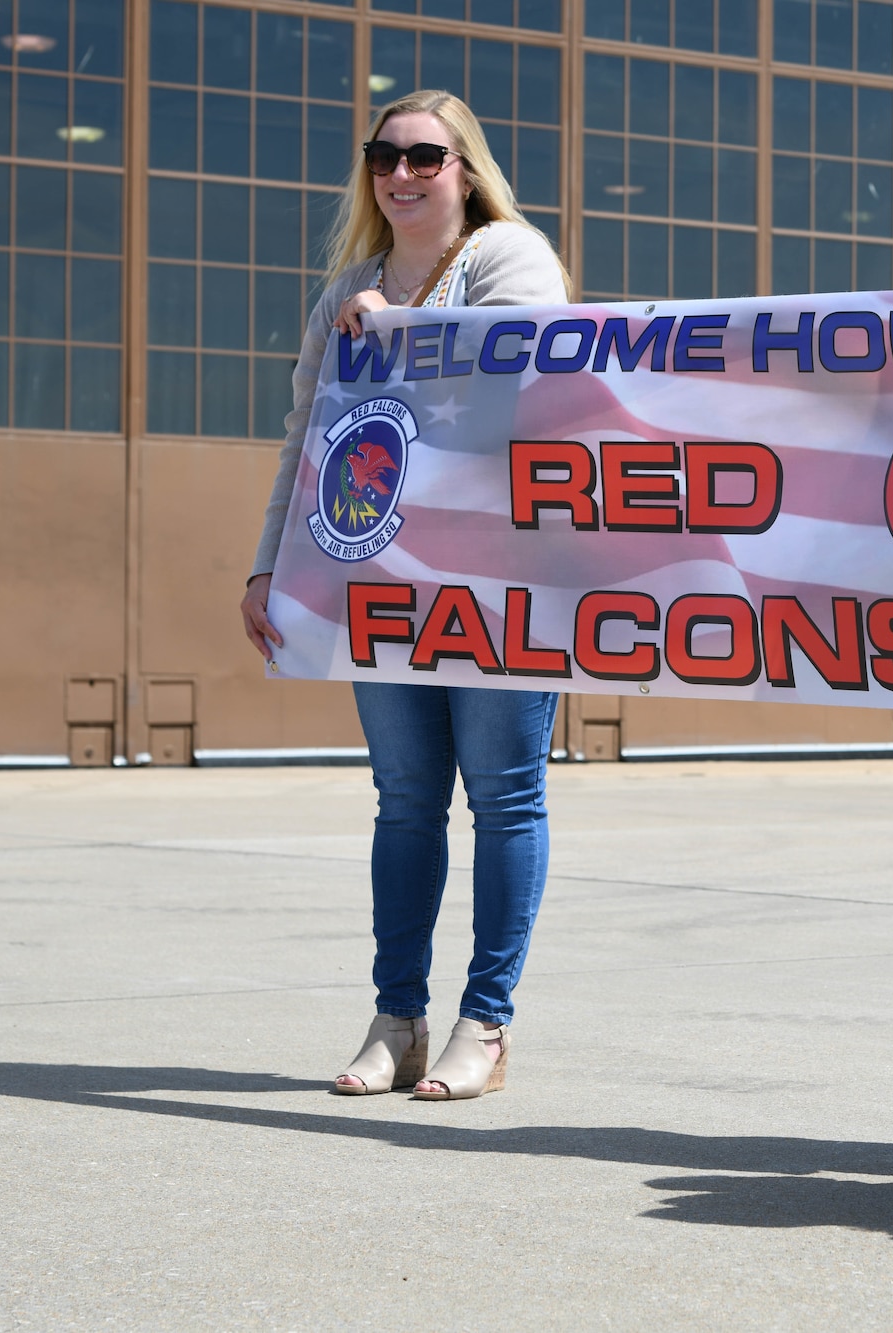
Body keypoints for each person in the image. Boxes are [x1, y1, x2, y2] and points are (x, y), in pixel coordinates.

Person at [238, 90, 571, 1101]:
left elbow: (525, 392)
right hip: (376, 579)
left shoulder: (510, 258)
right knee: (406, 802)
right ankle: (397, 1017)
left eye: (425, 155)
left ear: (464, 168)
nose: (401, 172)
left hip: (499, 578)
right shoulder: (346, 284)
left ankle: (487, 1020)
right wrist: (269, 563)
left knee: (504, 796)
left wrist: (397, 336)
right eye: (384, 154)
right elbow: (308, 434)